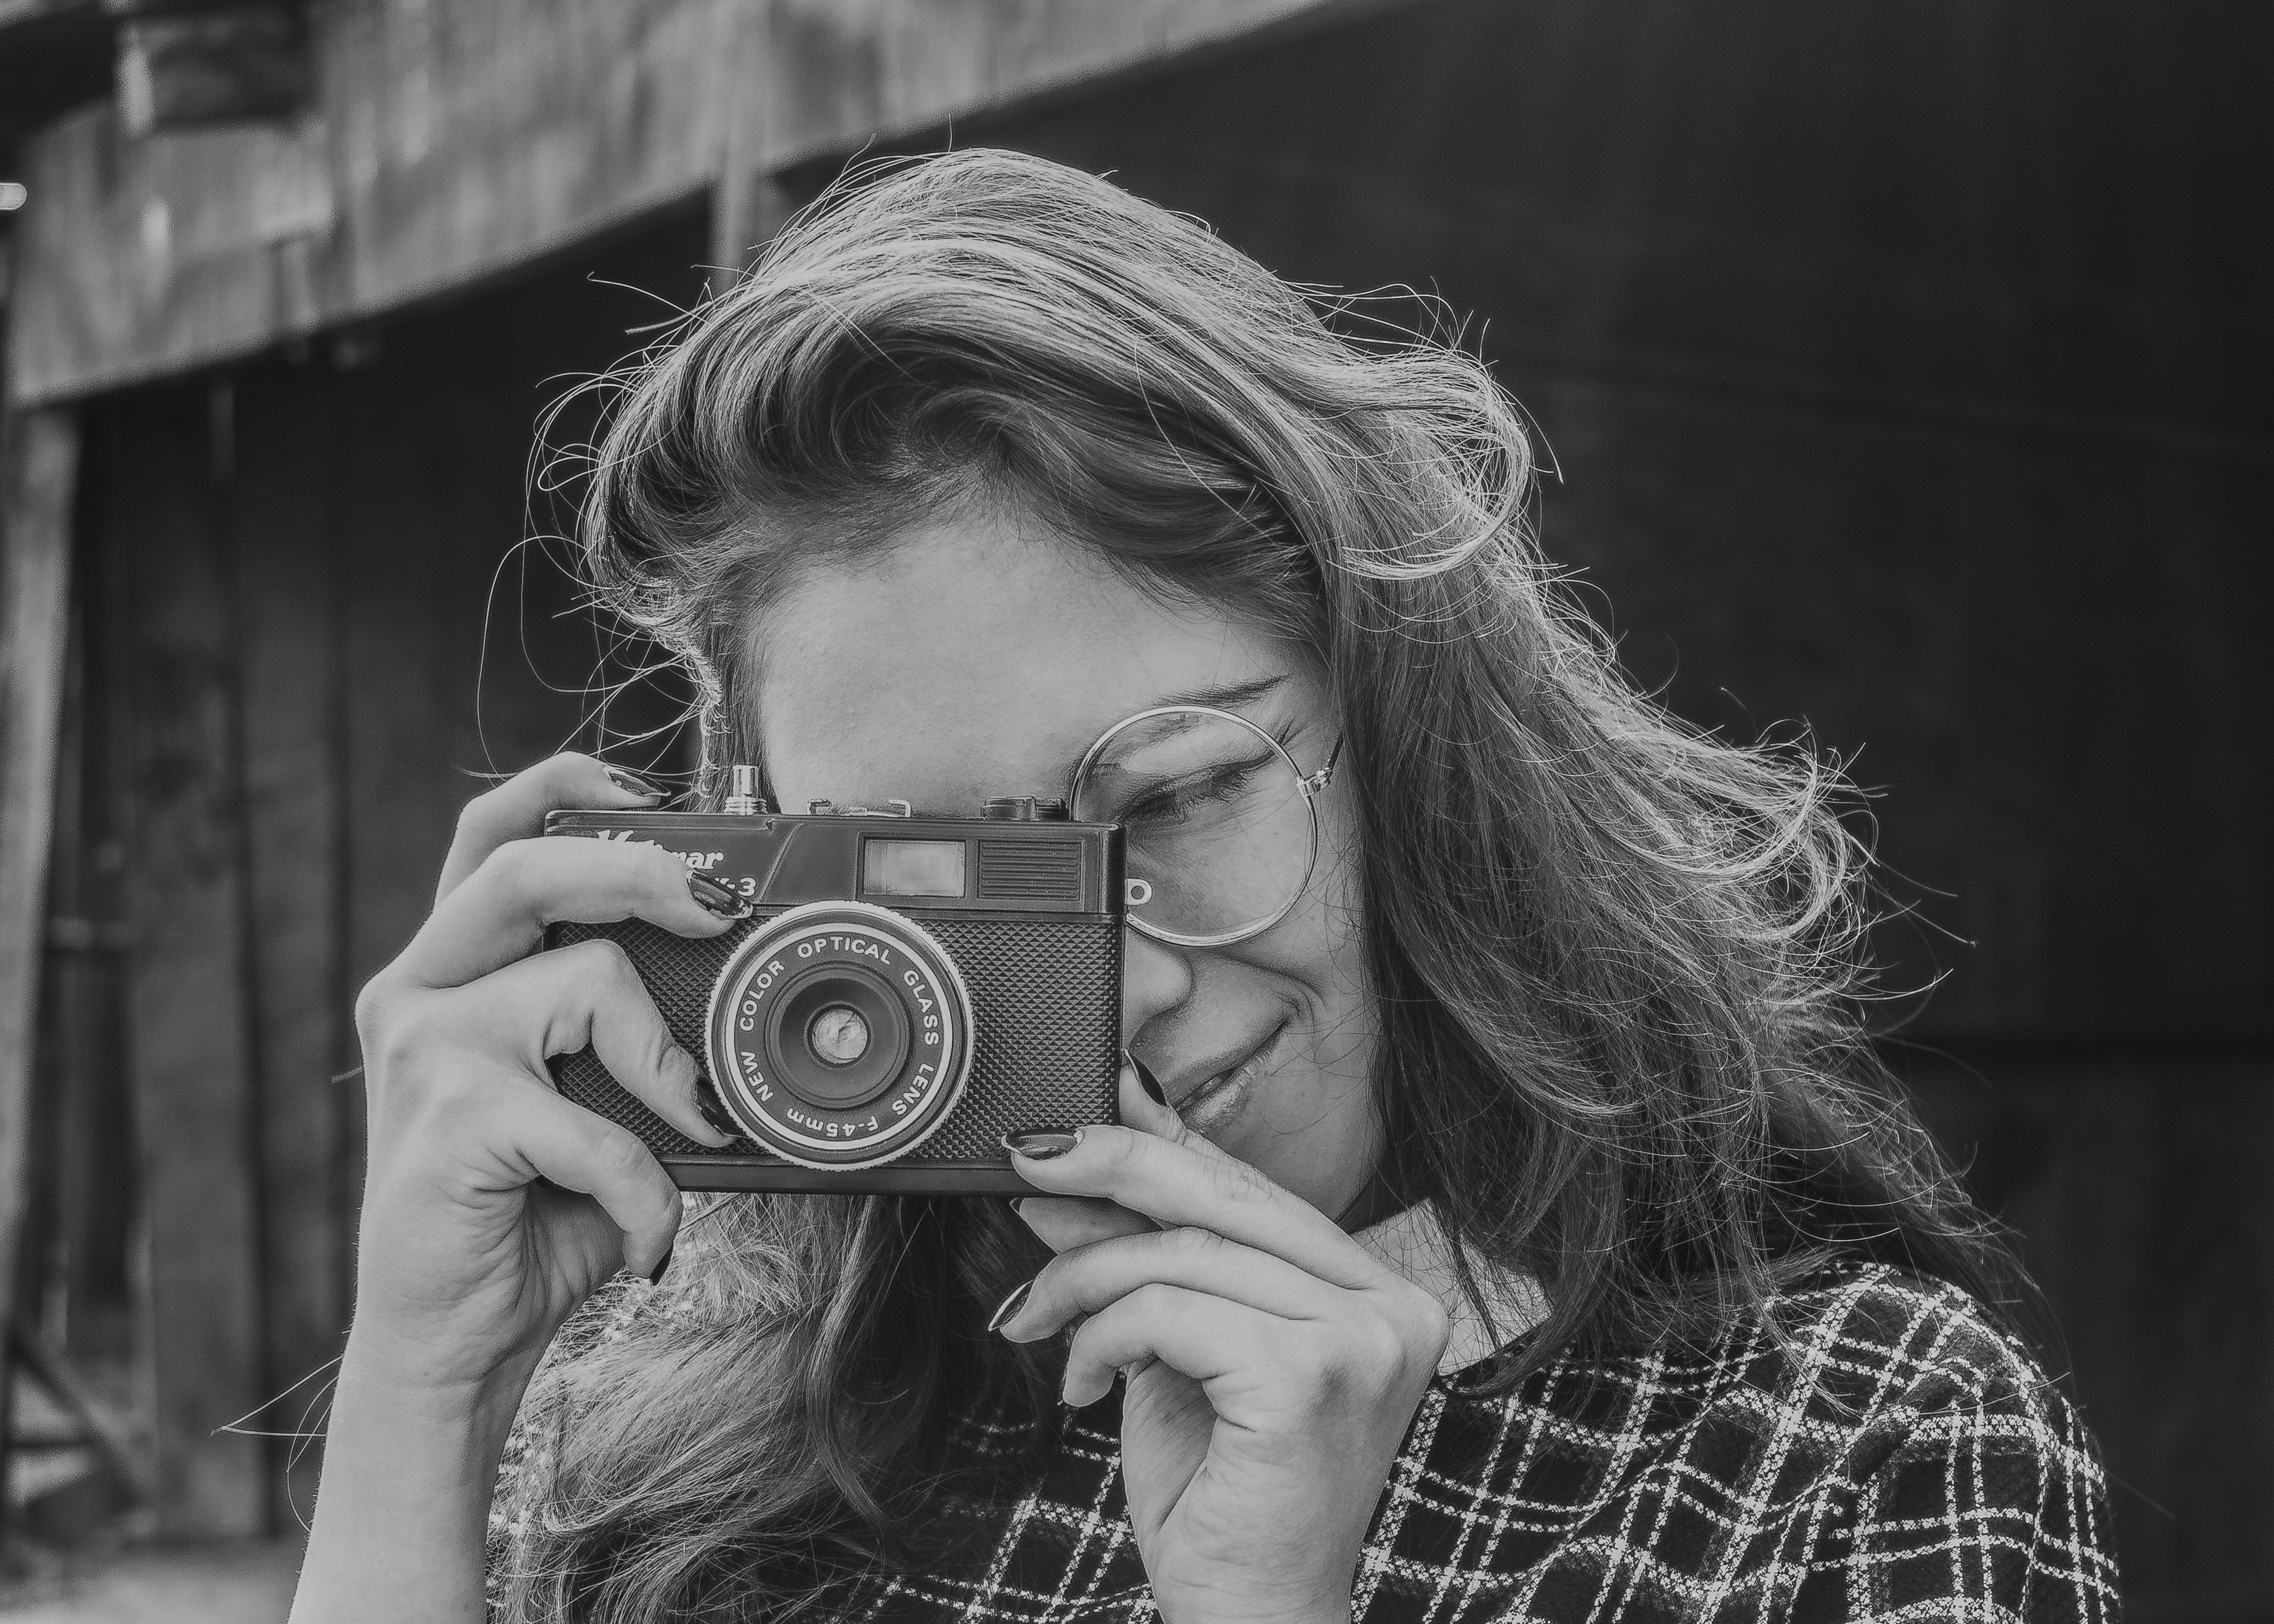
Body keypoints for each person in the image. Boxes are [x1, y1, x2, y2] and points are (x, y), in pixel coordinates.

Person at [289, 150, 2121, 1624]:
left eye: (1166, 795)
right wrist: (420, 1409)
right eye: (930, 880)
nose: (1127, 989)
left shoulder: (1844, 1457)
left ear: (1402, 724)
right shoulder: (659, 1449)